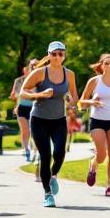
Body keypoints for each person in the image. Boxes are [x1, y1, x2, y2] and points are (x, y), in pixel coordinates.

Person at [22, 42, 76, 208]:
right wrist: (41, 94)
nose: (57, 57)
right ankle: (47, 194)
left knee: (59, 152)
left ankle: (53, 176)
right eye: (54, 54)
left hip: (59, 119)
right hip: (39, 119)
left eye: (61, 54)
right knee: (46, 156)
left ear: (64, 55)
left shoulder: (69, 74)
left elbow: (74, 95)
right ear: (49, 55)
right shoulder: (40, 73)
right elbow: (23, 92)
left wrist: (72, 102)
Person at [79, 53, 110, 196]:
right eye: (107, 63)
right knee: (101, 155)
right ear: (101, 65)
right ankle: (93, 165)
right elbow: (82, 101)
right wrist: (92, 102)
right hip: (97, 120)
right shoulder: (94, 81)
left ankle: (109, 186)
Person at [10, 59, 38, 162]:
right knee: (25, 130)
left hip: (34, 107)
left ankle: (35, 150)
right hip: (21, 107)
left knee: (33, 130)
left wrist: (28, 93)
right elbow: (17, 93)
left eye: (34, 66)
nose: (32, 69)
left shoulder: (37, 79)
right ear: (25, 69)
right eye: (30, 67)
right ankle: (26, 149)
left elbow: (35, 94)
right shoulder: (19, 81)